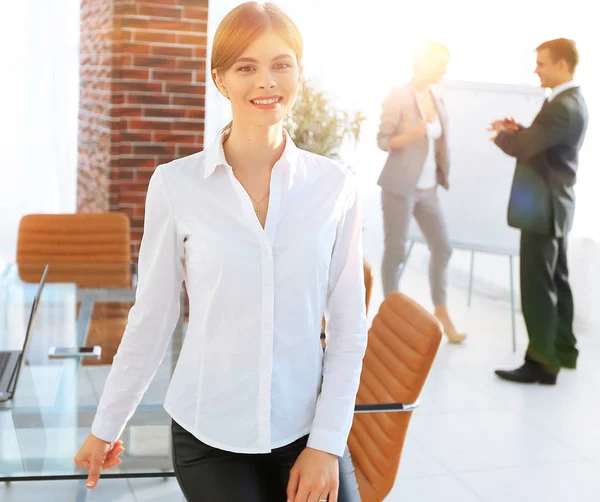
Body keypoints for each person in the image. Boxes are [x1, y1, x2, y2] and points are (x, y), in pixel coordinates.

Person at [73, 3, 367, 501]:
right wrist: (107, 424)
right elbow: (154, 317)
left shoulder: (334, 186)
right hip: (209, 432)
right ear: (220, 79)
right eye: (246, 67)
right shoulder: (175, 185)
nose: (266, 82)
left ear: (299, 71)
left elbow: (348, 327)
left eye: (281, 64)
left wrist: (327, 443)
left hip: (307, 430)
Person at [490, 38, 588, 385]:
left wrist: (502, 135)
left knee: (537, 287)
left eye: (542, 63)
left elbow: (527, 148)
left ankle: (540, 364)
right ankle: (559, 355)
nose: (536, 69)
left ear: (562, 64)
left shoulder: (562, 105)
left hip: (543, 211)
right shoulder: (569, 102)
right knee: (556, 283)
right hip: (555, 208)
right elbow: (545, 143)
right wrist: (521, 130)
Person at [376, 40, 466, 344]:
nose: (444, 69)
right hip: (400, 186)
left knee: (443, 247)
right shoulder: (399, 95)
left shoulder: (438, 97)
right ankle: (391, 316)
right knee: (396, 250)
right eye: (440, 62)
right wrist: (408, 135)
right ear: (422, 62)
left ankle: (441, 311)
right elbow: (382, 140)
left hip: (428, 189)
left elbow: (441, 142)